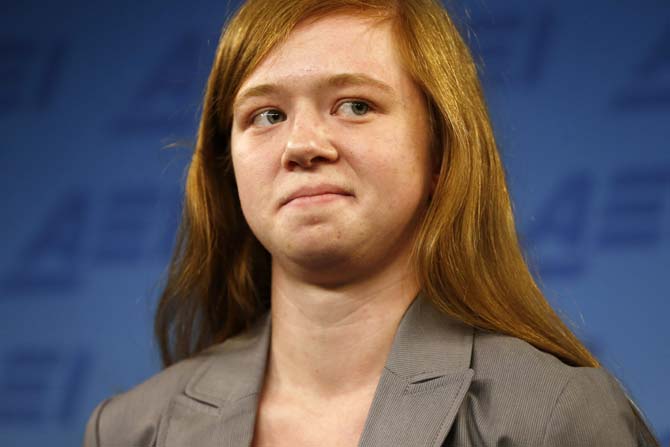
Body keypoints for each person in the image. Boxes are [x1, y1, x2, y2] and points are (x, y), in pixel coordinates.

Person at [84, 0, 659, 446]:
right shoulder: (131, 430)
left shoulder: (552, 416)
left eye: (355, 105)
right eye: (266, 115)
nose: (302, 145)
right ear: (226, 163)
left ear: (440, 153)